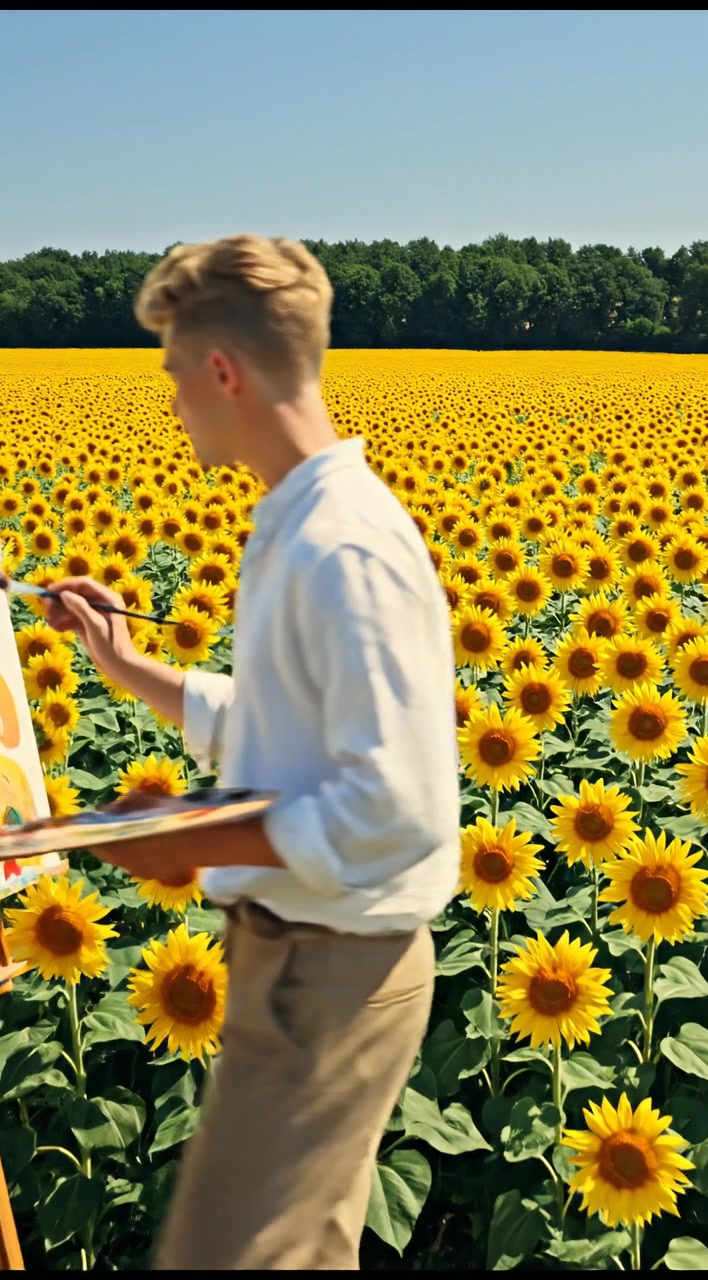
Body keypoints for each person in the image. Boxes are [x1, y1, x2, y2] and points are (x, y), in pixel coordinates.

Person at [44, 235, 460, 1271]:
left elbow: (392, 804)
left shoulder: (341, 545)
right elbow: (294, 729)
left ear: (222, 370)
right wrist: (127, 664)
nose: (172, 398)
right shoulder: (297, 522)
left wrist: (185, 829)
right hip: (302, 961)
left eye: (173, 373)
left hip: (334, 973)